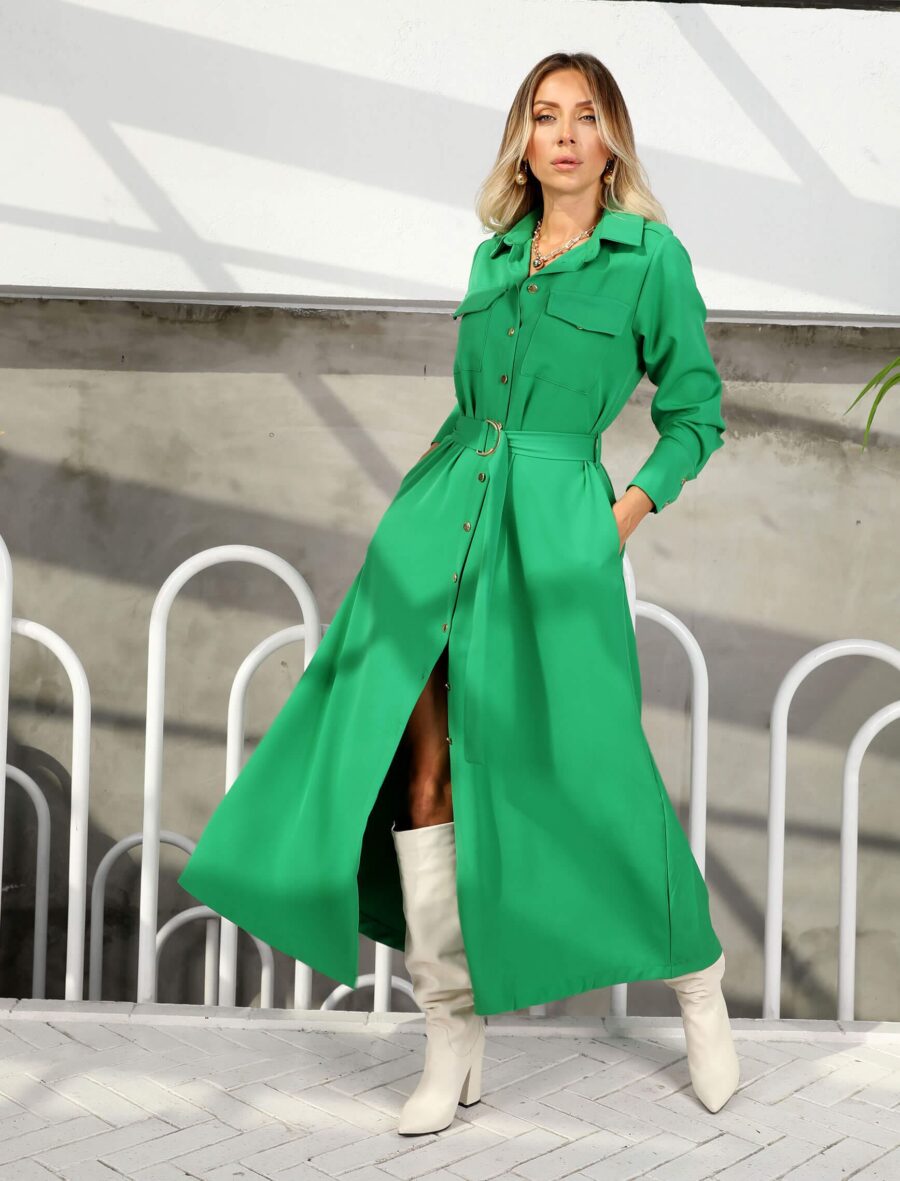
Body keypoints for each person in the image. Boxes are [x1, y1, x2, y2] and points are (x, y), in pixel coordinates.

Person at [178, 51, 740, 1138]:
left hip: (557, 536)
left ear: (612, 140)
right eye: (545, 115)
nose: (564, 134)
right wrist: (418, 519)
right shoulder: (494, 257)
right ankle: (450, 1028)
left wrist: (616, 519)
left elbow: (697, 414)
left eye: (585, 116)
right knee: (421, 771)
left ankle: (696, 978)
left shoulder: (650, 258)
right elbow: (469, 415)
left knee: (595, 771)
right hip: (439, 527)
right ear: (522, 139)